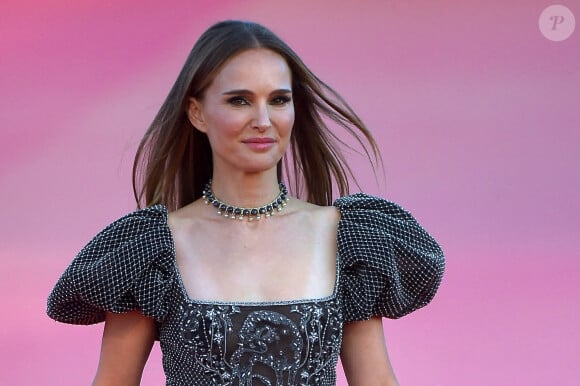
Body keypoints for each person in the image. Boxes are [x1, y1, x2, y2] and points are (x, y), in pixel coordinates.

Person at [47, 20, 445, 386]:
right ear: (197, 113)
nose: (263, 119)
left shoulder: (345, 239)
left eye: (278, 99)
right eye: (239, 100)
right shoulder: (152, 252)